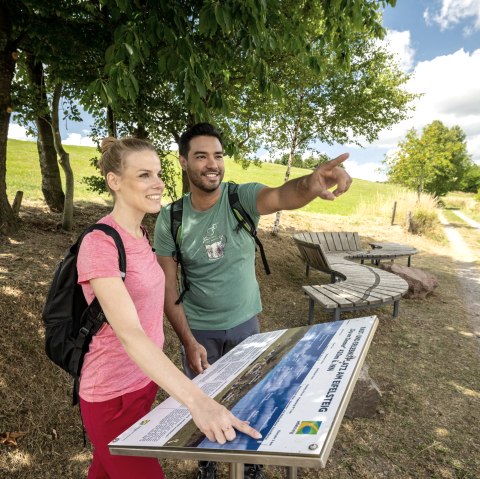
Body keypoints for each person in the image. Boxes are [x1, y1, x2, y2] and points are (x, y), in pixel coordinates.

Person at [154, 123, 352, 479]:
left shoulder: (240, 198)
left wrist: (310, 183)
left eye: (217, 155)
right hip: (198, 329)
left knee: (252, 395)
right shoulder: (170, 218)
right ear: (184, 162)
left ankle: (252, 464)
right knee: (202, 402)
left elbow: (282, 195)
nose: (211, 164)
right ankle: (208, 464)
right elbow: (168, 288)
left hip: (246, 323)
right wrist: (188, 340)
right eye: (201, 156)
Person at [77, 136, 261, 479]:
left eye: (158, 173)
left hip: (143, 384)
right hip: (111, 396)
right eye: (144, 175)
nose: (158, 183)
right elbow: (130, 335)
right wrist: (198, 401)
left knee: (103, 471)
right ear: (114, 181)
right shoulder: (100, 243)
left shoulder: (139, 236)